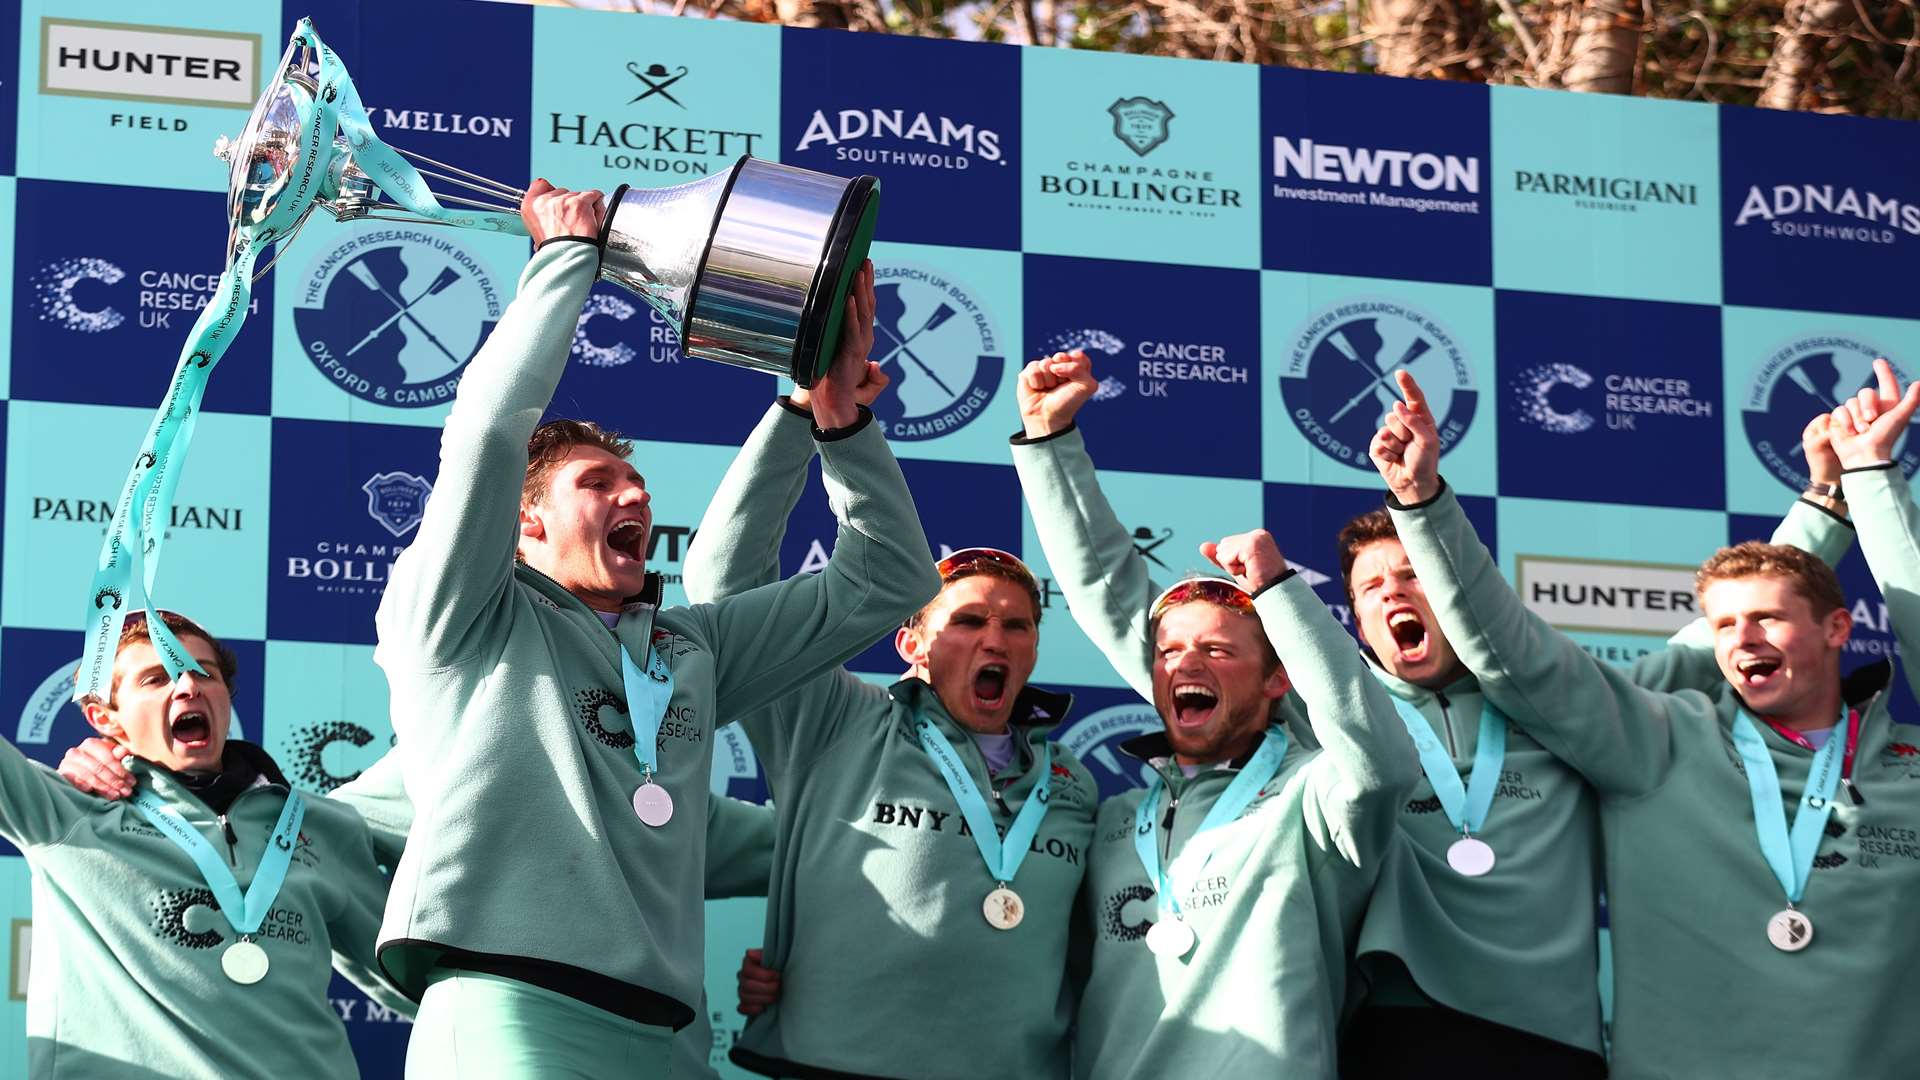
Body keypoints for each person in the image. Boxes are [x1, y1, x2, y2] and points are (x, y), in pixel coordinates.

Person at [371, 180, 938, 1078]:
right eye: (595, 484)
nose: (631, 494)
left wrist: (828, 420)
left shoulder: (690, 648)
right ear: (524, 522)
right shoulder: (462, 612)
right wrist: (564, 264)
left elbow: (887, 581)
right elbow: (486, 432)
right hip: (511, 1008)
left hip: (670, 1039)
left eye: (633, 482)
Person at [1369, 361, 1920, 1079]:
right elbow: (1518, 655)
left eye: (1766, 620)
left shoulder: (1906, 762)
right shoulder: (1656, 741)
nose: (1741, 639)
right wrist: (1421, 502)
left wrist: (1871, 475)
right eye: (1722, 625)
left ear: (1839, 628)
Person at [681, 373, 1099, 1078]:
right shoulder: (832, 718)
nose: (994, 640)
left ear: (1032, 649)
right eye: (967, 621)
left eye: (1016, 626)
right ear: (911, 646)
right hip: (831, 1065)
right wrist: (800, 411)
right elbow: (728, 587)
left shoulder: (1074, 784)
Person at [1011, 361, 1419, 1077]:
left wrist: (1278, 593)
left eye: (1217, 650)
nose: (1183, 663)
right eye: (1168, 651)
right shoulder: (1112, 820)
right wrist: (1050, 445)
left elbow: (1382, 764)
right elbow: (1111, 594)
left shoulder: (1312, 797)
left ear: (1275, 682)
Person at [55, 736, 775, 1079]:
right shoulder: (428, 767)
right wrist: (106, 766)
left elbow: (811, 857)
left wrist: (819, 961)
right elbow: (281, 857)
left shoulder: (650, 761)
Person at [0, 612, 404, 1079]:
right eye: (157, 678)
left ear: (226, 698)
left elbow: (408, 974)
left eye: (203, 672)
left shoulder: (322, 823)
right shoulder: (64, 809)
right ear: (103, 717)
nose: (188, 686)